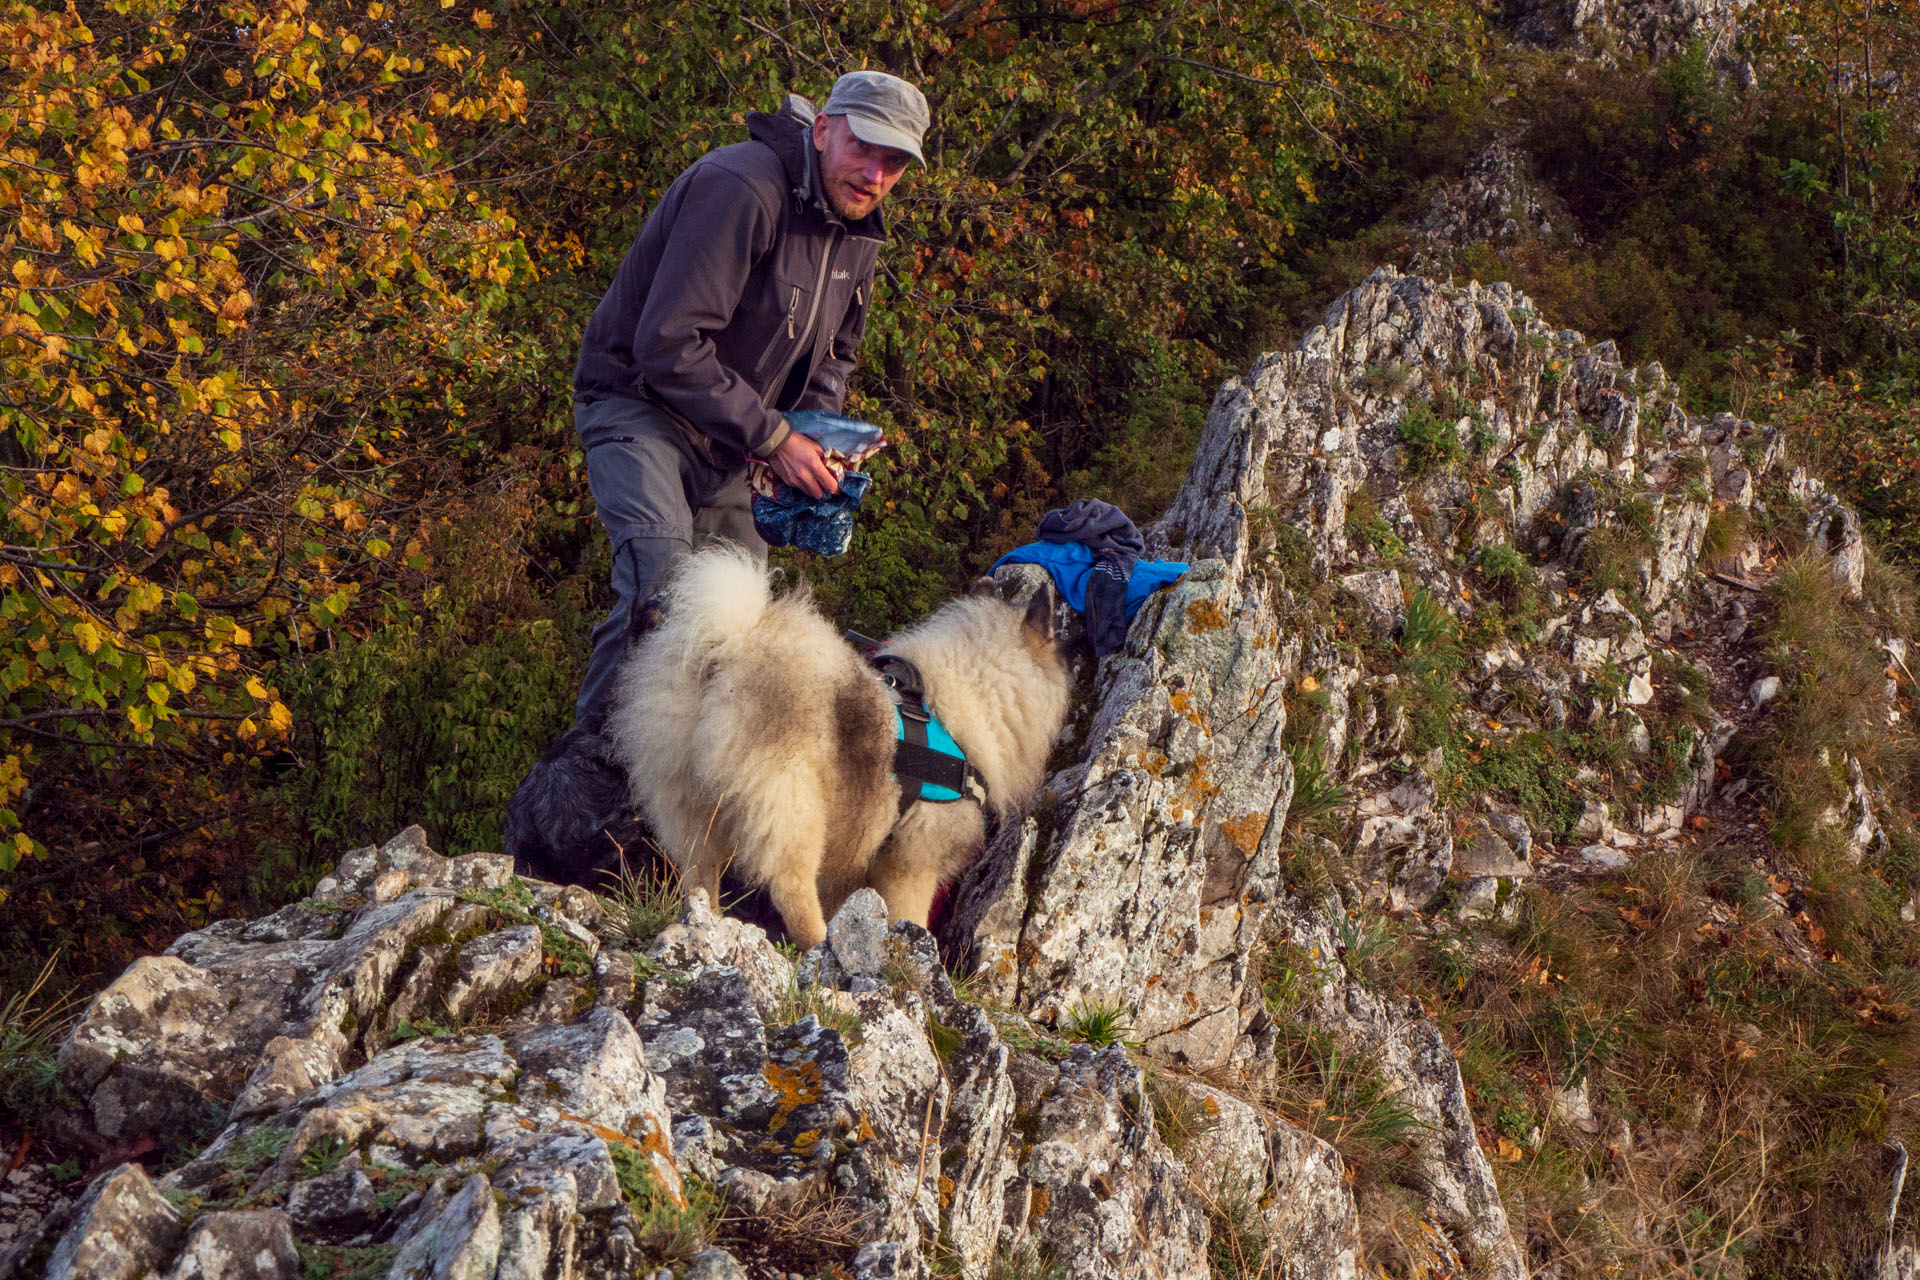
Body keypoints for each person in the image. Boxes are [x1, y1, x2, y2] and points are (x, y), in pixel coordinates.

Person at [566, 70, 929, 731]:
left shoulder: (858, 231)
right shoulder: (743, 187)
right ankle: (588, 786)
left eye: (895, 162)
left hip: (735, 442)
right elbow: (668, 343)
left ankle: (670, 809)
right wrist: (775, 440)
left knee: (733, 624)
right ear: (822, 130)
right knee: (666, 591)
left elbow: (835, 357)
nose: (875, 174)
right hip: (640, 406)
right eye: (864, 148)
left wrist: (817, 437)